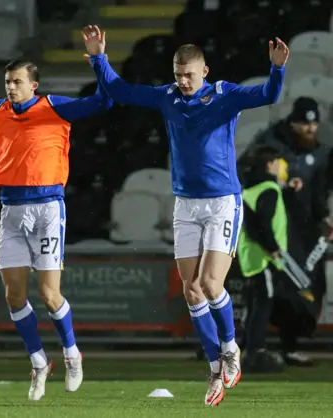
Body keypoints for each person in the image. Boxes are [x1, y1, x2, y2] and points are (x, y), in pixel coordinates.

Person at [82, 25, 289, 406]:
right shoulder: (168, 97)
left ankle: (230, 347)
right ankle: (214, 369)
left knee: (211, 285)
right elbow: (121, 91)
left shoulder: (225, 95)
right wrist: (99, 58)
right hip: (186, 204)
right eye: (178, 74)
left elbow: (269, 94)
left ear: (205, 71)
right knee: (190, 289)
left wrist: (276, 69)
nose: (183, 81)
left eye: (189, 74)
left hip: (222, 201)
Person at [0, 50, 112, 400]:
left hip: (47, 210)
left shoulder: (55, 107)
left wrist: (99, 62)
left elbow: (102, 101)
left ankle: (72, 353)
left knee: (50, 294)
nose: (11, 87)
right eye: (8, 82)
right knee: (13, 295)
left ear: (34, 85)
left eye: (17, 82)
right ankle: (39, 362)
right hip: (11, 210)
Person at [242, 97, 333, 366]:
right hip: (275, 230)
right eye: (305, 124)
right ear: (292, 123)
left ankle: (287, 345)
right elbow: (248, 173)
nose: (310, 129)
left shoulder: (322, 153)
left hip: (305, 232)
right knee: (266, 292)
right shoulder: (270, 143)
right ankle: (250, 346)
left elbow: (321, 190)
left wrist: (324, 218)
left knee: (303, 287)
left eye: (314, 123)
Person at [237, 146, 294, 373]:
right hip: (263, 258)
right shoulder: (269, 189)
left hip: (250, 256)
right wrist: (272, 248)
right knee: (263, 304)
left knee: (253, 304)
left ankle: (246, 348)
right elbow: (261, 225)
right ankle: (256, 351)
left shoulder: (251, 190)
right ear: (270, 165)